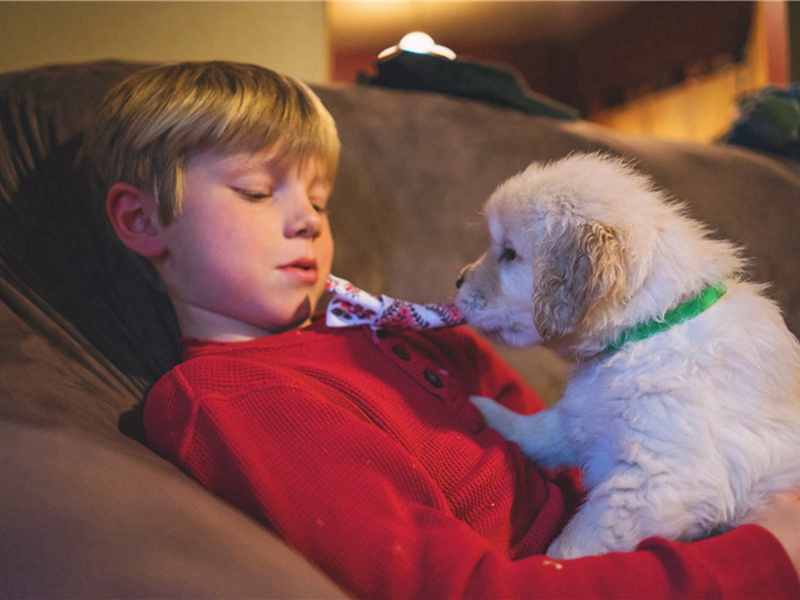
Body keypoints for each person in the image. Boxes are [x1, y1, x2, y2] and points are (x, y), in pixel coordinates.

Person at [84, 61, 800, 598]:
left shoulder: (414, 336)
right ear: (141, 221)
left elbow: (584, 455)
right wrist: (769, 552)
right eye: (256, 190)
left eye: (320, 198)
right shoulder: (235, 396)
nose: (306, 218)